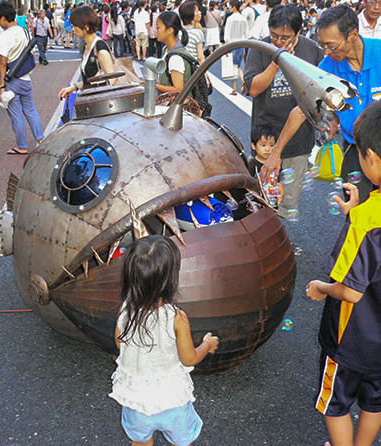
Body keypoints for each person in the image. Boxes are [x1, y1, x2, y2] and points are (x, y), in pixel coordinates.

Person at [307, 98, 381, 446]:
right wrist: (356, 211)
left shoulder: (366, 219)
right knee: (375, 402)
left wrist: (320, 288)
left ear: (371, 158)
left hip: (350, 341)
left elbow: (351, 290)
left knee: (335, 405)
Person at [261, 5, 381, 205]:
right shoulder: (327, 68)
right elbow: (301, 111)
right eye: (322, 45)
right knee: (357, 215)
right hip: (357, 153)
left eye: (331, 45)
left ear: (353, 34)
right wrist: (276, 153)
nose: (326, 52)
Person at [109, 235, 219, 446]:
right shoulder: (176, 317)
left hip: (136, 401)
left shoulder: (125, 309)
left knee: (140, 442)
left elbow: (119, 343)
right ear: (170, 279)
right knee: (181, 441)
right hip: (172, 402)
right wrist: (207, 345)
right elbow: (188, 359)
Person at [244, 4, 322, 218]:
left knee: (287, 205)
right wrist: (275, 63)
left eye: (285, 37)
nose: (278, 42)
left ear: (298, 32)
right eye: (274, 36)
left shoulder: (312, 50)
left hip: (298, 141)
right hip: (265, 141)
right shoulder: (260, 48)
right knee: (262, 200)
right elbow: (253, 88)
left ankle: (279, 241)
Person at [0, 1, 45, 156]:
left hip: (12, 79)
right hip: (25, 78)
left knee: (16, 114)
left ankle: (22, 146)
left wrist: (2, 86)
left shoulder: (5, 36)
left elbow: (3, 63)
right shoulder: (24, 31)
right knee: (31, 110)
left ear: (3, 18)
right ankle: (41, 140)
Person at [58, 6, 116, 99]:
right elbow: (91, 80)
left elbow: (112, 78)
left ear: (86, 27)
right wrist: (74, 87)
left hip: (99, 103)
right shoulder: (86, 46)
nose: (73, 29)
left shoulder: (100, 48)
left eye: (75, 26)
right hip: (90, 101)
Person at [248, 124, 285, 207]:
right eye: (263, 145)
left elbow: (278, 180)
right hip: (256, 201)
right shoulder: (252, 164)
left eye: (271, 145)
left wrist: (281, 193)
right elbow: (248, 183)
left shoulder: (275, 164)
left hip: (272, 199)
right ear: (254, 146)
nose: (268, 149)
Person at [156, 11, 191, 94]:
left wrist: (152, 85)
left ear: (170, 30)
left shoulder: (175, 57)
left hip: (175, 106)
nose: (156, 31)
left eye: (158, 28)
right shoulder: (166, 50)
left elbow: (178, 89)